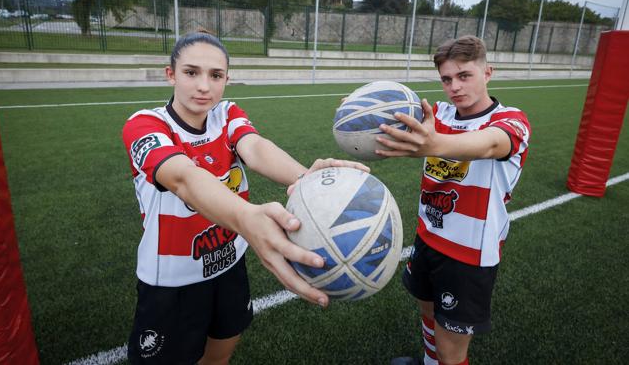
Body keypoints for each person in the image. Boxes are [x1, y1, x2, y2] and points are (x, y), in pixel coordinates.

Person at [122, 31, 368, 364]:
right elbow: (183, 179)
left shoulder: (226, 114)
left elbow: (255, 148)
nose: (204, 86)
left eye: (216, 75)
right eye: (191, 73)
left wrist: (305, 179)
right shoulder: (146, 125)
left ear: (227, 79)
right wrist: (248, 218)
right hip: (172, 281)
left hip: (229, 267)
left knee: (218, 357)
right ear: (171, 75)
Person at [378, 35, 531, 365]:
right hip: (428, 237)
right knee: (428, 313)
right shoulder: (440, 114)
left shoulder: (509, 121)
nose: (454, 87)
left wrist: (434, 144)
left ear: (487, 72)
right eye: (447, 79)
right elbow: (391, 121)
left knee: (452, 350)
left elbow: (490, 145)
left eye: (464, 76)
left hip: (468, 255)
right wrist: (362, 115)